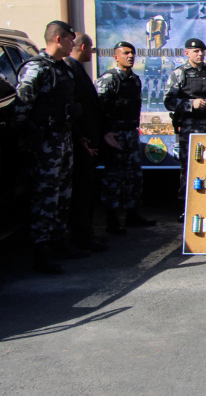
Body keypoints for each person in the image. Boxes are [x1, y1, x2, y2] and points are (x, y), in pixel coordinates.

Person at [15, 20, 89, 273]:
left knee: (62, 194)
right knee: (45, 197)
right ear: (58, 39)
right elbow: (22, 106)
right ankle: (41, 251)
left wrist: (78, 135)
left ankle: (60, 242)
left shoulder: (62, 68)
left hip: (64, 138)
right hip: (45, 142)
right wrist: (27, 136)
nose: (73, 44)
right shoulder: (37, 68)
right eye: (70, 39)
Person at [95, 41, 157, 233]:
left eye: (132, 53)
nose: (130, 56)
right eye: (126, 53)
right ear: (116, 56)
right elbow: (98, 110)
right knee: (113, 177)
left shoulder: (135, 80)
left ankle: (132, 214)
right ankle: (112, 220)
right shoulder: (108, 79)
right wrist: (105, 132)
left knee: (134, 176)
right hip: (114, 134)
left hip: (130, 132)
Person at [164, 38, 206, 212]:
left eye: (202, 51)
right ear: (187, 53)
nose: (200, 54)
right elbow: (169, 101)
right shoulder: (179, 73)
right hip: (189, 129)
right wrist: (191, 104)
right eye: (195, 51)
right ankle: (187, 208)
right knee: (189, 168)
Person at [64, 32, 108, 252]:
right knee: (81, 192)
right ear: (83, 47)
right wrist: (82, 137)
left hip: (89, 140)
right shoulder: (70, 69)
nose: (92, 53)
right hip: (81, 143)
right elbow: (74, 110)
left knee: (88, 189)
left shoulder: (77, 69)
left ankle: (87, 232)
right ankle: (81, 236)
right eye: (91, 49)